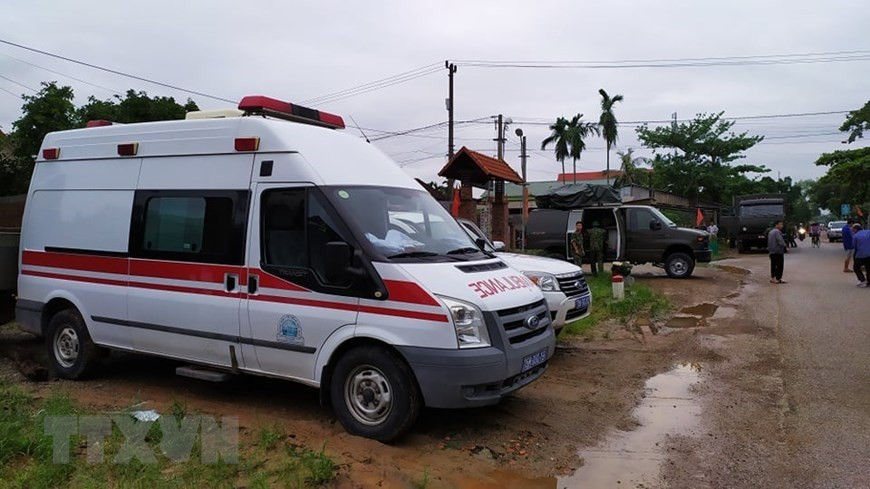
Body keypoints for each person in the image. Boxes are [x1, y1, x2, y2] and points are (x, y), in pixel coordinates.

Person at [768, 220, 787, 284]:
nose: (782, 226)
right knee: (779, 266)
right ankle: (778, 279)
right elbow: (780, 241)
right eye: (780, 224)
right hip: (778, 251)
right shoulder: (777, 232)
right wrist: (785, 245)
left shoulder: (771, 232)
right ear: (776, 225)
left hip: (772, 251)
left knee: (773, 265)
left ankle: (772, 278)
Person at [851, 223, 870, 287]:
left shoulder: (855, 236)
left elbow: (854, 246)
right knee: (868, 268)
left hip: (860, 255)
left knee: (856, 267)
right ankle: (869, 282)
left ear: (855, 229)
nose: (852, 231)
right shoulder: (868, 232)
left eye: (853, 229)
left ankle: (863, 280)